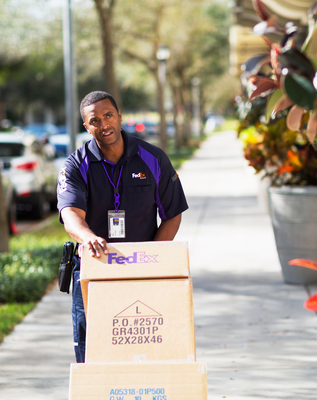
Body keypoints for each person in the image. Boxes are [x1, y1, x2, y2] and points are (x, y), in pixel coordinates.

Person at [56, 91, 188, 362]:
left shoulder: (153, 158)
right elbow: (70, 212)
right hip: (95, 268)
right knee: (91, 349)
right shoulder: (75, 165)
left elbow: (173, 214)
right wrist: (87, 237)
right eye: (95, 121)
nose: (104, 125)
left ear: (119, 116)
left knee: (145, 349)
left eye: (108, 116)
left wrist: (151, 260)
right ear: (86, 126)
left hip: (143, 270)